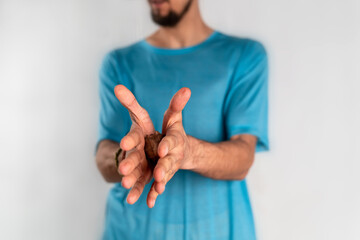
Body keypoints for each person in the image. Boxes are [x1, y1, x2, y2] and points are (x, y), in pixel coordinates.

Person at [95, 0, 269, 239]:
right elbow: (104, 152)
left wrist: (189, 152)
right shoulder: (118, 63)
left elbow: (243, 157)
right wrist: (126, 158)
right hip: (132, 231)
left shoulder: (245, 56)